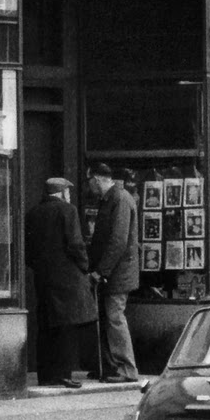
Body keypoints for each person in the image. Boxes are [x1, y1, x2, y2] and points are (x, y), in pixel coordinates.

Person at [24, 177, 96, 389]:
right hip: (67, 278)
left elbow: (28, 250)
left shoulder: (33, 213)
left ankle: (45, 375)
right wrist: (85, 266)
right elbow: (75, 243)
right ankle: (63, 374)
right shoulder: (68, 210)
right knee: (66, 326)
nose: (70, 196)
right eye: (68, 192)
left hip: (43, 278)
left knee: (46, 325)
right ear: (62, 192)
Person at [86, 161, 141, 383]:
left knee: (115, 317)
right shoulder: (111, 199)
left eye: (89, 180)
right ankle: (110, 366)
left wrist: (101, 271)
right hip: (113, 272)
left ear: (97, 179)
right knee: (110, 317)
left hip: (117, 274)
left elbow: (118, 241)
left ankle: (127, 369)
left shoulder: (119, 199)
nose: (88, 186)